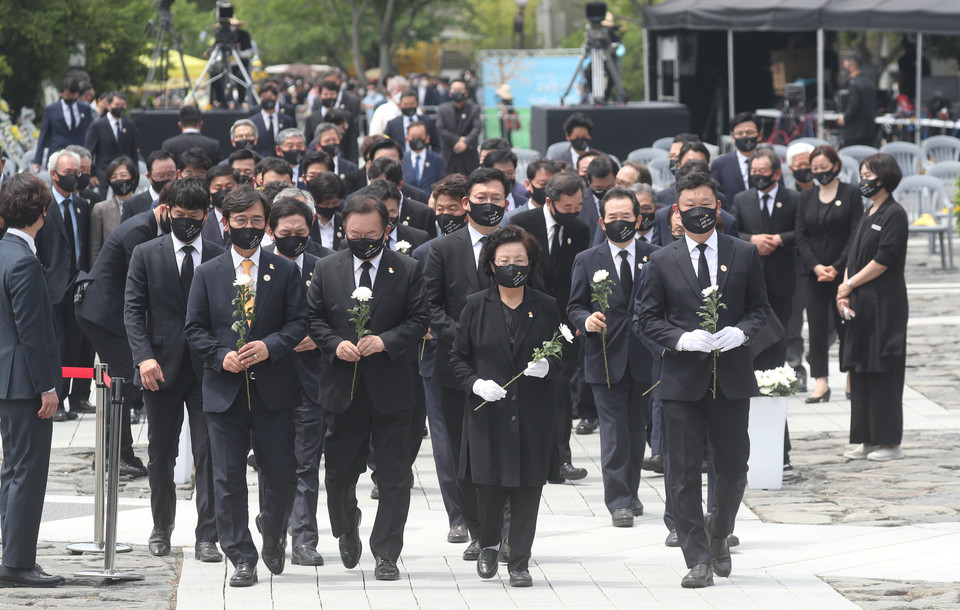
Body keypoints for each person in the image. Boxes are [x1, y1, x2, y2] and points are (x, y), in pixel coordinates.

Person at [637, 170, 770, 589]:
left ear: (719, 209)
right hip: (681, 382)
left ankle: (718, 534)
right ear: (677, 210)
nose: (699, 213)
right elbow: (645, 319)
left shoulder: (744, 253)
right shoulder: (661, 259)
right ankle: (696, 558)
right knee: (682, 473)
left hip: (730, 379)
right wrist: (680, 339)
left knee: (733, 469)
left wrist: (743, 332)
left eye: (706, 206)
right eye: (690, 207)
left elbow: (760, 309)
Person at [184, 186, 307, 587]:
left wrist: (270, 346)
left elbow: (298, 323)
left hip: (273, 391)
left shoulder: (285, 270)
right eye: (241, 221)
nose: (249, 228)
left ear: (267, 225)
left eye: (257, 221)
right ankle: (241, 555)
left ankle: (273, 531)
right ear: (225, 224)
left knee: (282, 473)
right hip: (224, 392)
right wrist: (221, 356)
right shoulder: (208, 273)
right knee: (227, 477)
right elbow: (194, 329)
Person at [307, 194, 429, 581]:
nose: (363, 241)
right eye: (354, 234)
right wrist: (332, 344)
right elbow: (312, 318)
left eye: (371, 235)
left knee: (395, 476)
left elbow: (419, 317)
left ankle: (387, 551)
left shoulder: (407, 269)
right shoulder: (327, 268)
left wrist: (387, 340)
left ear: (386, 231)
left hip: (392, 389)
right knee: (339, 475)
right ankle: (347, 526)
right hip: (343, 391)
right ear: (344, 231)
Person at [449, 224, 565, 588]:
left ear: (530, 264)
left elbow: (564, 352)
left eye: (520, 260)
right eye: (505, 260)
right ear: (491, 264)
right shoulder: (475, 306)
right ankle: (488, 543)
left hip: (533, 413)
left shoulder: (545, 306)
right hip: (489, 413)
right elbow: (458, 358)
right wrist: (476, 384)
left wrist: (549, 366)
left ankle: (519, 561)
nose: (512, 266)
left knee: (529, 488)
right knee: (490, 488)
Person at [123, 177, 223, 561]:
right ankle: (161, 526)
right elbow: (133, 310)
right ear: (167, 213)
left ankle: (207, 536)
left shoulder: (217, 255)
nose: (187, 223)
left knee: (209, 453)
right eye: (180, 216)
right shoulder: (146, 253)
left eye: (194, 217)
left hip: (206, 371)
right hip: (159, 369)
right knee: (160, 454)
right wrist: (143, 356)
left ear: (206, 216)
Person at [423, 167, 511, 561]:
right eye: (480, 198)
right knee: (464, 453)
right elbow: (430, 305)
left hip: (509, 368)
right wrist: (464, 335)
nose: (488, 205)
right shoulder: (444, 249)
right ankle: (477, 529)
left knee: (506, 451)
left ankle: (506, 531)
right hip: (456, 368)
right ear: (465, 203)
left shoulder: (518, 245)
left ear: (506, 203)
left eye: (496, 199)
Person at [568, 186, 658, 527]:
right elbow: (574, 305)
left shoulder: (656, 255)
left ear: (638, 218)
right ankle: (618, 499)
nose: (620, 223)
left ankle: (631, 491)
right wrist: (585, 319)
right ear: (602, 222)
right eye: (613, 218)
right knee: (614, 431)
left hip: (645, 357)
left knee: (637, 429)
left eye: (627, 217)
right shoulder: (588, 259)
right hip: (604, 356)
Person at [76, 184, 176, 479]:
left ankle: (116, 452)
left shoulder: (150, 226)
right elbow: (143, 283)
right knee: (122, 380)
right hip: (101, 313)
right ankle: (112, 455)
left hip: (109, 311)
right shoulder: (139, 230)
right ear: (166, 208)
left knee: (121, 381)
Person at [0, 173, 65, 588]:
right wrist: (47, 386)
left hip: (9, 381)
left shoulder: (5, 252)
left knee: (13, 470)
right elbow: (33, 333)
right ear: (42, 212)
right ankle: (17, 561)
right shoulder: (22, 260)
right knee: (27, 470)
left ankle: (12, 553)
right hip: (25, 383)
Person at [264, 196, 333, 567]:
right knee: (272, 462)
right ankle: (270, 528)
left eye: (301, 233)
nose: (293, 239)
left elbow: (336, 318)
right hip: (268, 378)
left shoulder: (325, 267)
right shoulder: (257, 268)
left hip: (310, 378)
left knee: (307, 462)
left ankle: (304, 538)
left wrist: (317, 337)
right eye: (285, 233)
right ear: (271, 231)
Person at [509, 170, 591, 482]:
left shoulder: (580, 229)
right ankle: (529, 458)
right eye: (567, 208)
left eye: (578, 207)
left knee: (560, 391)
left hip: (565, 323)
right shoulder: (523, 223)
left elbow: (577, 274)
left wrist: (578, 316)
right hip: (527, 317)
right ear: (550, 202)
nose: (574, 213)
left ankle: (561, 460)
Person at [410, 175, 469, 543]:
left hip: (487, 359)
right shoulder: (423, 252)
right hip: (438, 358)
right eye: (440, 208)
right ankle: (458, 516)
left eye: (453, 208)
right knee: (445, 442)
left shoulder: (495, 248)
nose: (446, 215)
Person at [838, 153, 908, 462]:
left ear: (884, 178)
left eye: (868, 175)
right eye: (862, 174)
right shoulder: (869, 212)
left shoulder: (895, 213)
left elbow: (883, 260)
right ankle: (865, 437)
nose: (863, 180)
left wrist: (851, 284)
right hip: (859, 303)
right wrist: (844, 288)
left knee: (883, 369)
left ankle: (889, 441)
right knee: (861, 368)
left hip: (884, 303)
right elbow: (854, 255)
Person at [797, 145, 863, 403]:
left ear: (836, 166)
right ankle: (820, 382)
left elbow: (855, 233)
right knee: (815, 327)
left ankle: (850, 377)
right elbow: (801, 235)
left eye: (824, 168)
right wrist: (815, 266)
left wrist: (836, 266)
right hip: (812, 273)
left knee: (845, 324)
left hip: (842, 271)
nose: (819, 173)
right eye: (815, 169)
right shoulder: (805, 197)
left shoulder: (851, 193)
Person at [35, 149, 91, 421]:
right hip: (52, 285)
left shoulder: (82, 206)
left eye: (77, 173)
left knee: (74, 345)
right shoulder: (44, 207)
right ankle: (53, 401)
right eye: (68, 173)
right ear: (54, 174)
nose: (74, 177)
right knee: (55, 345)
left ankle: (70, 398)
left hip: (77, 287)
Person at [32, 73, 94, 171]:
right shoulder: (51, 110)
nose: (71, 97)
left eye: (74, 95)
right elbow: (43, 136)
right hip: (57, 154)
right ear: (62, 93)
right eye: (68, 94)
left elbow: (91, 131)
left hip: (79, 155)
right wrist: (37, 161)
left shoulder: (85, 108)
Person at [84, 91, 140, 195]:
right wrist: (92, 175)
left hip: (125, 176)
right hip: (104, 175)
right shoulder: (97, 125)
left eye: (123, 105)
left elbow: (133, 152)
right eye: (117, 105)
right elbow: (89, 152)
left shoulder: (129, 124)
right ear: (109, 106)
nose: (120, 108)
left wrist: (135, 174)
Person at [90, 156, 139, 264]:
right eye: (113, 177)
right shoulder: (100, 209)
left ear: (133, 178)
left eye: (123, 175)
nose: (118, 180)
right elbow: (95, 249)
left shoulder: (144, 205)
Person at [436, 79, 483, 176]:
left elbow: (477, 127)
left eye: (460, 90)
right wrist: (458, 140)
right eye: (454, 90)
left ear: (466, 93)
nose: (457, 93)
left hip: (469, 155)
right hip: (448, 154)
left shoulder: (474, 109)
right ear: (450, 92)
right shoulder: (442, 109)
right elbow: (440, 129)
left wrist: (465, 142)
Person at [710, 112, 762, 200]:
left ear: (760, 135)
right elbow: (714, 195)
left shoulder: (769, 161)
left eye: (749, 132)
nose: (745, 136)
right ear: (733, 137)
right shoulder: (720, 164)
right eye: (740, 133)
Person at [120, 151, 179, 222]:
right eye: (160, 176)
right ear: (149, 177)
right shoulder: (132, 205)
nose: (166, 179)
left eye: (171, 175)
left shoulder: (184, 200)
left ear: (178, 174)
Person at [837, 56, 878, 147]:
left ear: (852, 66)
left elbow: (854, 105)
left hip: (855, 131)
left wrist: (845, 118)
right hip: (869, 130)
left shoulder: (855, 85)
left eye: (846, 67)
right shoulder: (869, 82)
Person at [384, 89, 441, 154]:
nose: (408, 107)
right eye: (405, 104)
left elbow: (436, 145)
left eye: (412, 104)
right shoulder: (392, 124)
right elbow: (387, 145)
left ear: (417, 104)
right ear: (400, 105)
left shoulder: (428, 121)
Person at [249, 83, 296, 159]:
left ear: (277, 98)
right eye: (263, 97)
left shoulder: (287, 120)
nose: (267, 100)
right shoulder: (252, 121)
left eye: (270, 97)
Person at [577, 154, 618, 238]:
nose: (604, 192)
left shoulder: (627, 201)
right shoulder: (578, 202)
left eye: (609, 187)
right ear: (588, 181)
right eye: (598, 188)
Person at [402, 121, 444, 194]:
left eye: (420, 136)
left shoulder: (437, 159)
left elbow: (441, 185)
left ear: (427, 139)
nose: (416, 139)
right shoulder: (401, 158)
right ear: (407, 139)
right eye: (413, 137)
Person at [307, 173, 346, 250]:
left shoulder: (344, 223)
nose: (330, 207)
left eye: (335, 203)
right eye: (325, 203)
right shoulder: (307, 224)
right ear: (315, 200)